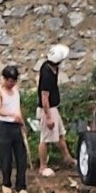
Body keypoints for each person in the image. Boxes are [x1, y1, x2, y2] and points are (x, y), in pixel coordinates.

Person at [33, 44, 71, 178]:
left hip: (53, 107)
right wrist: (48, 117)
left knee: (60, 134)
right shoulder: (47, 74)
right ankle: (43, 166)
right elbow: (44, 98)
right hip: (47, 109)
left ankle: (67, 157)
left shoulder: (52, 68)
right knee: (45, 138)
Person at [0, 63, 30, 193]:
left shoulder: (16, 90)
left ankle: (21, 186)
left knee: (21, 156)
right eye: (10, 81)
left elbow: (17, 107)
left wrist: (22, 122)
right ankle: (6, 183)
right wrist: (11, 115)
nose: (12, 83)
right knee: (6, 157)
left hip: (16, 126)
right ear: (4, 78)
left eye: (14, 81)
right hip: (4, 125)